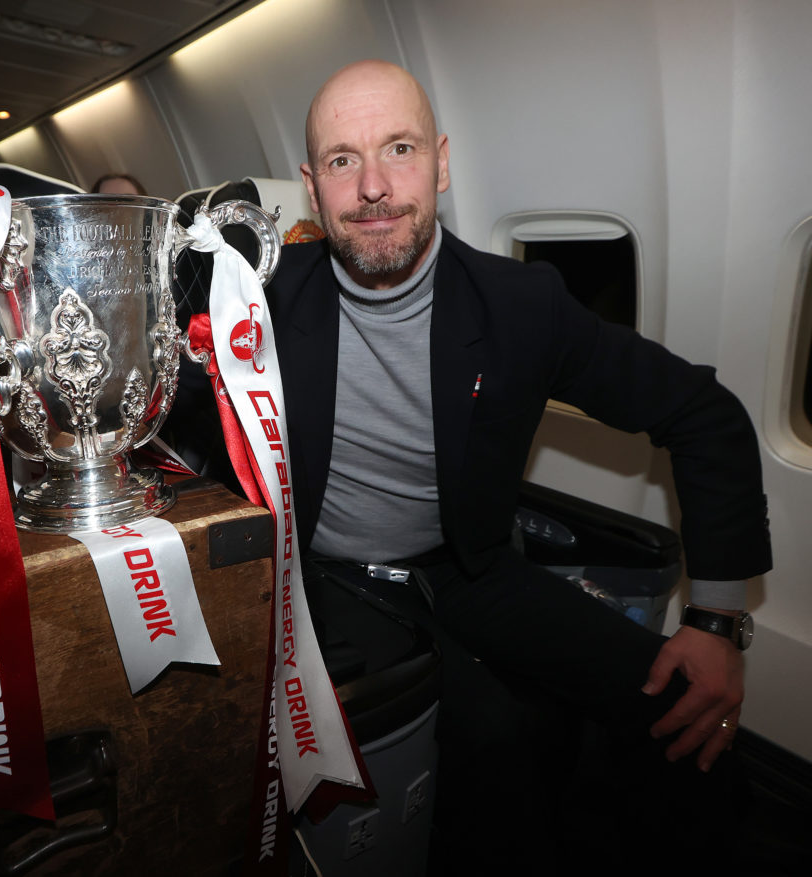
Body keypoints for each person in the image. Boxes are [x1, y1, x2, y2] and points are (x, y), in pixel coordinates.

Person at [176, 59, 772, 871]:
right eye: (345, 161)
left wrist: (715, 620)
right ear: (314, 189)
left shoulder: (522, 307)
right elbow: (171, 423)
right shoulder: (259, 304)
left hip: (470, 563)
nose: (376, 187)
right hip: (319, 573)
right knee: (494, 745)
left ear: (444, 162)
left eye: (400, 149)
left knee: (685, 712)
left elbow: (706, 415)